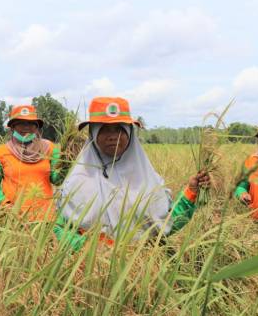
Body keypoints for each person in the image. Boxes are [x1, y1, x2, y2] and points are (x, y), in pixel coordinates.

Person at [54, 97, 209, 250]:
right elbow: (60, 227)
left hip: (143, 268)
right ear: (93, 133)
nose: (113, 136)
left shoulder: (148, 180)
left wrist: (191, 192)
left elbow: (167, 224)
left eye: (119, 129)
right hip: (92, 268)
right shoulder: (76, 180)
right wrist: (86, 248)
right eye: (105, 129)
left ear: (130, 133)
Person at [0, 105, 62, 219]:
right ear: (13, 127)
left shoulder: (49, 148)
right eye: (21, 123)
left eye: (31, 123)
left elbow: (56, 179)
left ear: (36, 127)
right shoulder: (1, 153)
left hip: (47, 218)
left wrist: (66, 166)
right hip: (15, 220)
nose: (26, 127)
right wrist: (5, 204)